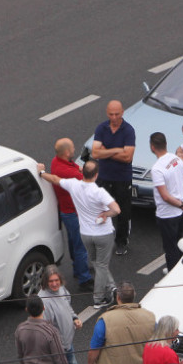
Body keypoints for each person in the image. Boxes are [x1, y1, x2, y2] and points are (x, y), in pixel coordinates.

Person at [40, 162, 121, 309]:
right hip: (103, 234)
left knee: (97, 263)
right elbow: (116, 209)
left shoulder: (73, 184)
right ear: (96, 175)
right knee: (101, 265)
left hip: (86, 234)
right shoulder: (99, 192)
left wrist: (41, 173)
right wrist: (105, 214)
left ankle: (111, 286)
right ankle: (99, 298)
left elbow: (54, 179)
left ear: (82, 172)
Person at [37, 265, 94, 364]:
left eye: (56, 280)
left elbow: (67, 305)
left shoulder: (61, 289)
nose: (55, 284)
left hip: (66, 343)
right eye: (51, 281)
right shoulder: (43, 301)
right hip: (56, 348)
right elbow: (45, 329)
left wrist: (74, 317)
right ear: (45, 282)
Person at [49, 138, 93, 291]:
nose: (74, 150)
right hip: (73, 213)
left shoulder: (56, 162)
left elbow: (76, 167)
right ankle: (84, 277)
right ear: (67, 152)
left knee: (73, 242)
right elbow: (87, 179)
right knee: (80, 246)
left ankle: (78, 268)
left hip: (66, 211)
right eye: (73, 148)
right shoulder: (68, 172)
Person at [92, 100, 136, 255]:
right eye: (111, 114)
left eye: (117, 114)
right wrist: (117, 150)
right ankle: (101, 240)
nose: (114, 117)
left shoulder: (128, 130)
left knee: (123, 212)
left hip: (122, 178)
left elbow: (127, 157)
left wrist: (107, 150)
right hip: (104, 176)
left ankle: (121, 241)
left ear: (122, 112)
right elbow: (95, 153)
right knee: (100, 208)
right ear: (107, 113)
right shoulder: (101, 128)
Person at [149, 132, 183, 271]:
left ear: (152, 147)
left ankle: (172, 271)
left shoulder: (157, 169)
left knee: (170, 247)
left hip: (167, 214)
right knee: (179, 242)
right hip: (180, 212)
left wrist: (182, 205)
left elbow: (165, 196)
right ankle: (179, 268)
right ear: (165, 144)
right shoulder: (176, 159)